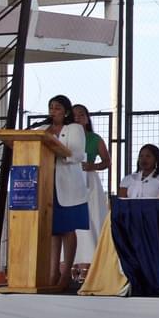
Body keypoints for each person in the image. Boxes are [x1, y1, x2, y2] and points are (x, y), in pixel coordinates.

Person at [44, 94, 89, 289]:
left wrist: (58, 151)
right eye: (51, 107)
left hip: (68, 185)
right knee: (53, 231)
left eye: (57, 108)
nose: (53, 111)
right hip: (47, 184)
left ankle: (65, 275)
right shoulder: (42, 130)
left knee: (68, 229)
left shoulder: (74, 129)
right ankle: (52, 273)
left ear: (66, 112)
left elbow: (77, 154)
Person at [71, 104, 111, 275]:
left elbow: (107, 161)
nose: (78, 118)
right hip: (69, 180)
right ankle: (70, 263)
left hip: (89, 181)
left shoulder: (95, 139)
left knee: (91, 218)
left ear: (87, 118)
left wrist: (92, 166)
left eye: (81, 114)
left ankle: (90, 261)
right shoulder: (64, 136)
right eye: (74, 115)